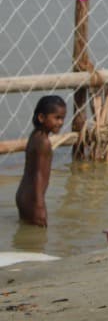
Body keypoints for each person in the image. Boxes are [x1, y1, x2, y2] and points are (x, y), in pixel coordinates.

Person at [16, 95, 66, 227]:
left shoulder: (35, 135)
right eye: (57, 118)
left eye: (62, 118)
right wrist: (39, 206)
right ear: (42, 118)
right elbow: (38, 175)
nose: (60, 122)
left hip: (23, 195)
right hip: (33, 199)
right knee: (37, 242)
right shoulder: (44, 142)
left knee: (27, 236)